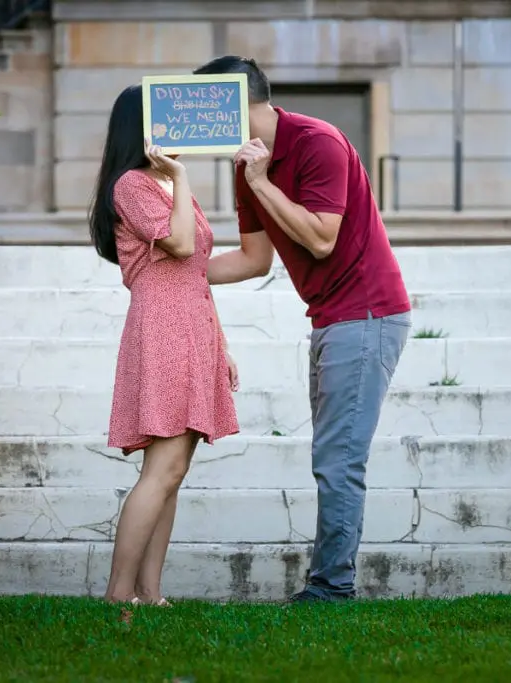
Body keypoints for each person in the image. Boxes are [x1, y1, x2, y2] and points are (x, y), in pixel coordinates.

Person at [194, 56, 412, 603]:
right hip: (332, 316)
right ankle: (329, 583)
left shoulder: (318, 141)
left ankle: (331, 588)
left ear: (233, 102)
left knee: (338, 459)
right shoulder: (246, 167)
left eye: (204, 105)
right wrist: (172, 272)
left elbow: (320, 239)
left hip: (367, 313)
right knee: (332, 455)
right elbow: (252, 259)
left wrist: (261, 182)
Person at [87, 84, 240, 605]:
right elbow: (177, 245)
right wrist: (179, 174)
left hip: (192, 324)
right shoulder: (133, 184)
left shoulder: (170, 186)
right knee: (163, 469)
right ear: (142, 126)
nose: (176, 128)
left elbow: (194, 270)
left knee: (173, 474)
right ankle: (117, 593)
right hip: (163, 326)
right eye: (163, 118)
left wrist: (220, 344)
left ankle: (149, 593)